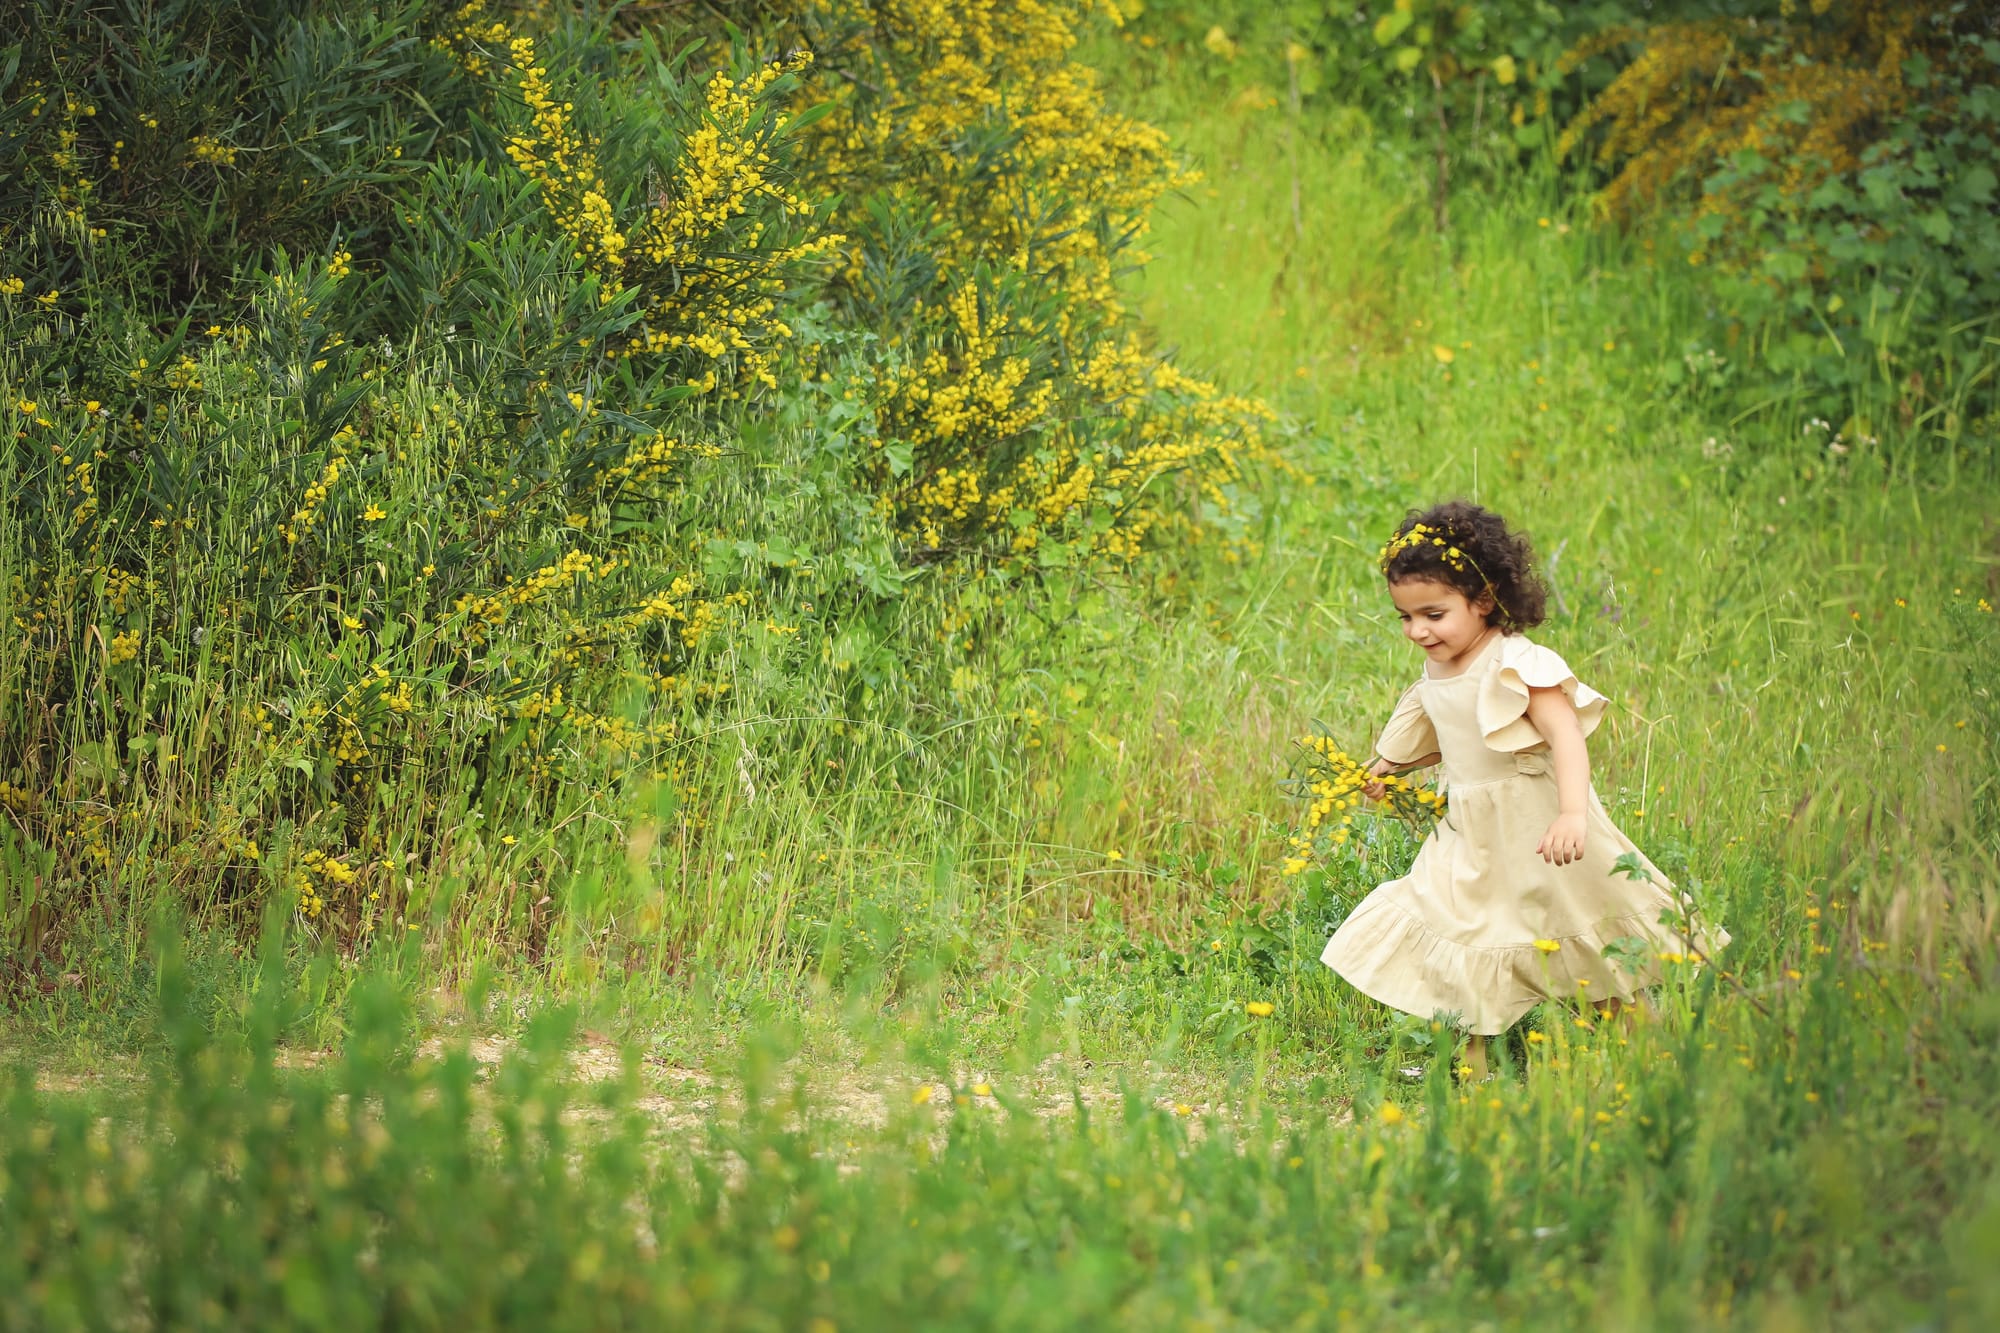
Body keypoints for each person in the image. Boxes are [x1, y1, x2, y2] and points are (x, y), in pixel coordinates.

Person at [1319, 500, 1727, 1078]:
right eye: (1405, 617)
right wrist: (1389, 766)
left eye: (1434, 614)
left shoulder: (1514, 662)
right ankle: (1470, 1065)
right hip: (1470, 829)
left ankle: (1652, 1047)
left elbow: (1565, 736)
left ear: (1484, 600)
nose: (1418, 630)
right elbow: (1449, 733)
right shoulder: (1438, 669)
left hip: (1536, 824)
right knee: (1461, 929)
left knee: (1578, 938)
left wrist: (1572, 814)